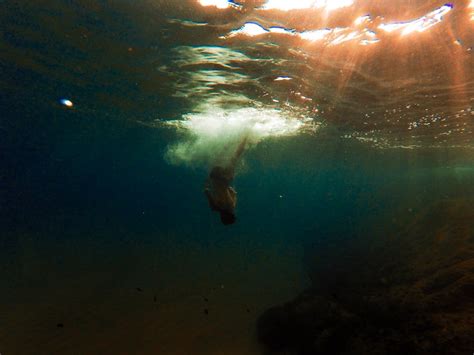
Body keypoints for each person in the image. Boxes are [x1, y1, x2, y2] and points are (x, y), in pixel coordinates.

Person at [204, 136, 248, 225]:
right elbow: (206, 191)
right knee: (222, 158)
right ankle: (230, 141)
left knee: (234, 158)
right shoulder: (216, 207)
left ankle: (244, 138)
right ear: (223, 217)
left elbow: (234, 192)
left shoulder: (232, 206)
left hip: (225, 179)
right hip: (216, 177)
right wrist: (208, 184)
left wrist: (226, 187)